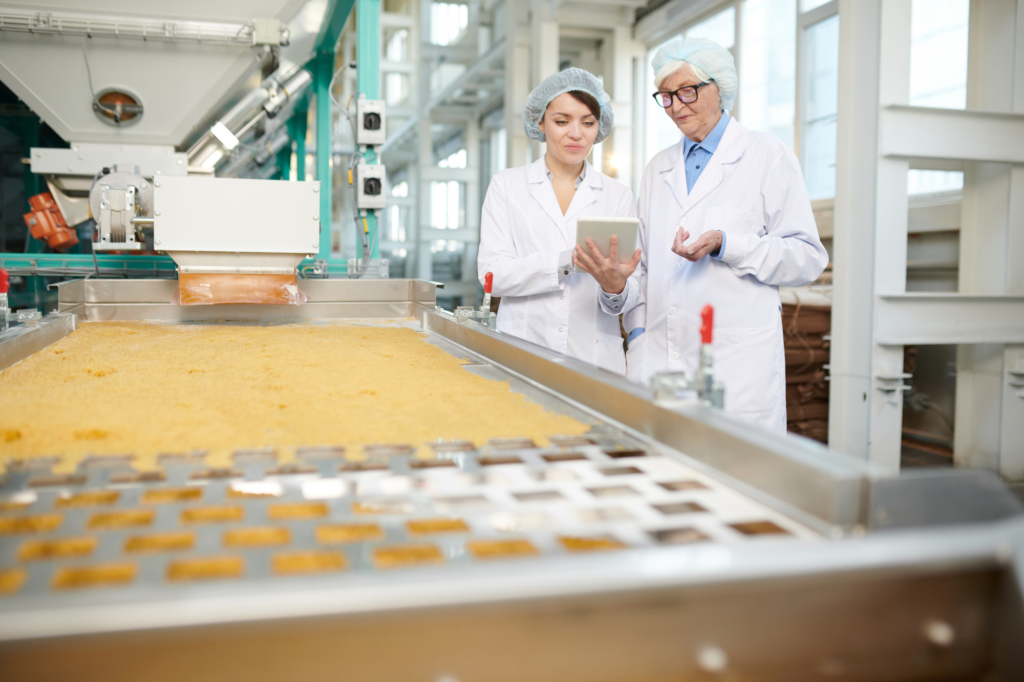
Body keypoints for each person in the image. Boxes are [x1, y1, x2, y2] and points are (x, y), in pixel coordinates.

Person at [620, 37, 828, 431]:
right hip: (659, 362)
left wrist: (728, 244)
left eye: (687, 91)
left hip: (738, 368)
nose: (677, 107)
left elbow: (807, 257)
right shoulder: (657, 168)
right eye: (665, 97)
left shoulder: (768, 155)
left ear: (720, 89)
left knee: (734, 477)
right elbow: (641, 266)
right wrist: (639, 332)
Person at [477, 68, 641, 374]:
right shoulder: (507, 186)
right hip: (521, 351)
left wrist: (614, 287)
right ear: (540, 122)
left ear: (599, 127)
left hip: (593, 359)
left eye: (588, 123)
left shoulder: (617, 195)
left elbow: (627, 297)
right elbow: (492, 275)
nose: (576, 134)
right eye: (562, 121)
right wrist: (568, 261)